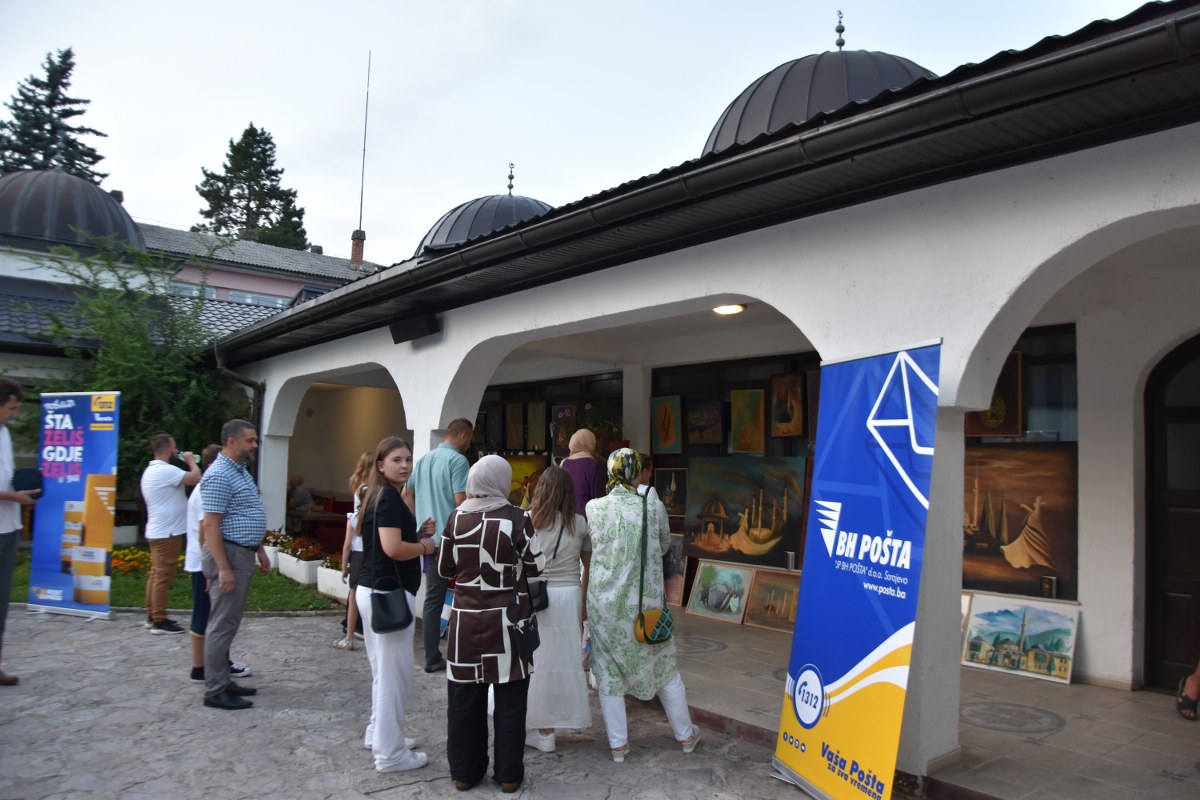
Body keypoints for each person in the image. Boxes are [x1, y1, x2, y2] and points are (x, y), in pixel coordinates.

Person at [438, 455, 544, 793]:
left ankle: (464, 773)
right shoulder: (517, 518)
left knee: (464, 701)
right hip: (508, 624)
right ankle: (509, 776)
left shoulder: (456, 518)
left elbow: (444, 568)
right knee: (511, 702)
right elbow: (537, 566)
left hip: (465, 625)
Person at [586, 448, 699, 762]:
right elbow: (663, 545)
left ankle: (618, 746)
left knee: (608, 672)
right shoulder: (653, 506)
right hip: (645, 605)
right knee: (664, 667)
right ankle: (686, 736)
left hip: (604, 605)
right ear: (636, 471)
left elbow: (597, 545)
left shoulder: (594, 507)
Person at [355, 436, 432, 773]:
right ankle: (390, 754)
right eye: (397, 460)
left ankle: (379, 733)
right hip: (386, 593)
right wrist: (425, 547)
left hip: (376, 590)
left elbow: (393, 540)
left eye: (408, 459)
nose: (405, 466)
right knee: (393, 677)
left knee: (383, 672)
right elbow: (392, 549)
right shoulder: (386, 496)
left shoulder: (380, 495)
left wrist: (416, 533)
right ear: (381, 464)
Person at [200, 419, 270, 710]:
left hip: (242, 552)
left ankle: (223, 678)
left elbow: (246, 513)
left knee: (229, 621)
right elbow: (211, 526)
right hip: (228, 554)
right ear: (231, 441)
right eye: (250, 440)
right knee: (221, 623)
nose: (255, 445)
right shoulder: (219, 475)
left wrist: (260, 550)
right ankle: (215, 690)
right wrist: (223, 568)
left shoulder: (239, 471)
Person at [523, 465, 592, 753]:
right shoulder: (580, 523)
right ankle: (547, 728)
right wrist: (584, 603)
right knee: (563, 662)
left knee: (536, 661)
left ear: (540, 489)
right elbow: (589, 567)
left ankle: (537, 726)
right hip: (569, 595)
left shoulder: (527, 520)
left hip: (536, 596)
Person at [406, 417, 472, 673]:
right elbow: (461, 501)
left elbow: (407, 493)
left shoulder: (423, 460)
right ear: (464, 435)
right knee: (466, 594)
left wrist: (417, 525)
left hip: (430, 541)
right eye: (469, 439)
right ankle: (463, 652)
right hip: (454, 540)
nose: (469, 444)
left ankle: (432, 656)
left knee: (433, 599)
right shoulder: (458, 460)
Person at [185, 444, 251, 683]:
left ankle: (216, 664)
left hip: (204, 561)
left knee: (214, 617)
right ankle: (202, 667)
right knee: (209, 618)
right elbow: (206, 531)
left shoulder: (209, 485)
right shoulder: (209, 486)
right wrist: (213, 570)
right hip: (204, 563)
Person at [140, 433, 201, 634]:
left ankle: (152, 615)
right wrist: (191, 461)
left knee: (156, 574)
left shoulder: (152, 470)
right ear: (167, 450)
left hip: (159, 530)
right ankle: (159, 620)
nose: (177, 451)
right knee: (163, 576)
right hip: (167, 533)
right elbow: (195, 478)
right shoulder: (165, 470)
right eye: (174, 448)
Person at [0, 378, 38, 686]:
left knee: (2, 601)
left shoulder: (5, 433)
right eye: (12, 408)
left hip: (9, 526)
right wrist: (14, 496)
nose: (15, 414)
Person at [335, 451, 372, 651]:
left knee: (354, 594)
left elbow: (347, 544)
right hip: (369, 551)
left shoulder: (354, 513)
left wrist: (344, 566)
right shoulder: (370, 495)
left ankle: (349, 637)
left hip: (358, 553)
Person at [561, 428, 607, 517]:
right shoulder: (594, 465)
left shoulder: (564, 463)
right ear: (589, 443)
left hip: (566, 515)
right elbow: (599, 500)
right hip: (585, 517)